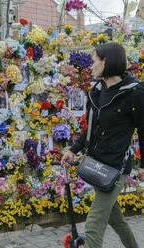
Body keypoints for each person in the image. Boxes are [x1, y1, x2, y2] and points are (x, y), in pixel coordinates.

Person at [62, 42, 144, 248]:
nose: (91, 66)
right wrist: (73, 150)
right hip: (97, 165)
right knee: (115, 218)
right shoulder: (96, 92)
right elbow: (90, 130)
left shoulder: (134, 94)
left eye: (94, 61)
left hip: (116, 168)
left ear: (105, 62)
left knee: (92, 227)